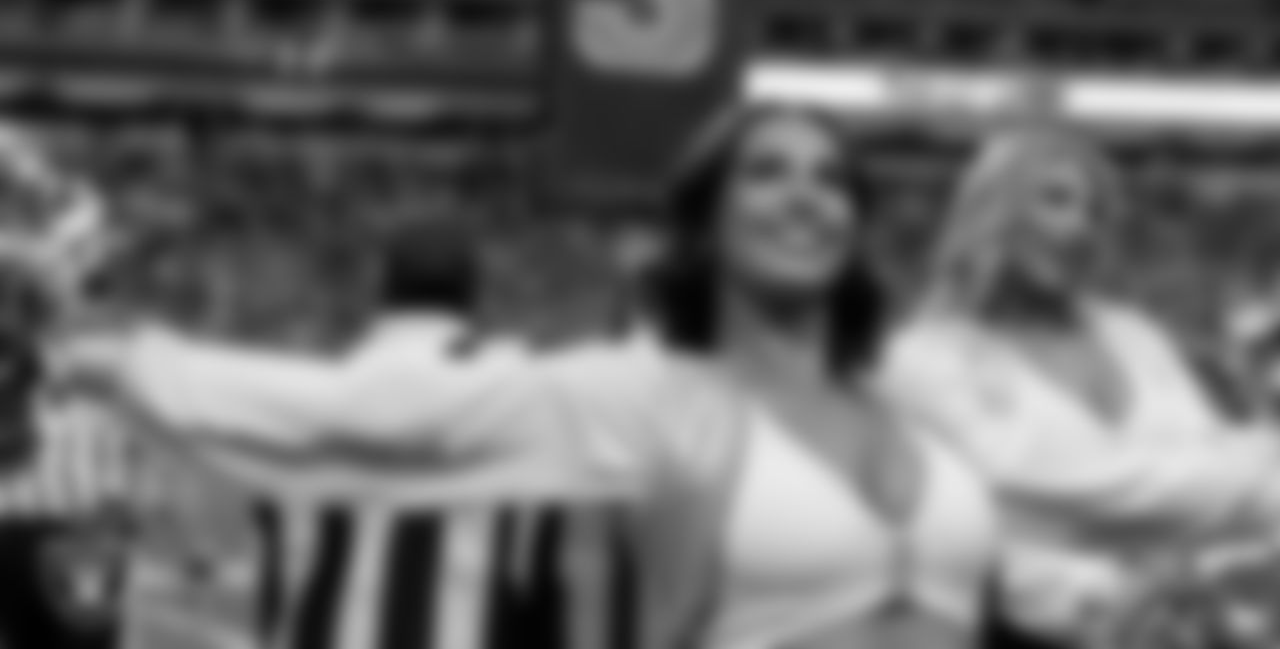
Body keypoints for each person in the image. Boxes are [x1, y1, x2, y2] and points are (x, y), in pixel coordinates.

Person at [47, 105, 1131, 649]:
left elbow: (1038, 570)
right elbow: (375, 423)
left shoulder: (917, 402)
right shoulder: (635, 397)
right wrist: (113, 358)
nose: (809, 198)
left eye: (832, 180)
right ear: (702, 229)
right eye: (766, 174)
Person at [881, 127, 1280, 645]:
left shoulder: (1133, 334)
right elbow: (1011, 499)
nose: (1080, 227)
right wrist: (1255, 465)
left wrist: (1198, 581)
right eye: (1055, 200)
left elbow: (1227, 481)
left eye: (1096, 212)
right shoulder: (922, 357)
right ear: (994, 210)